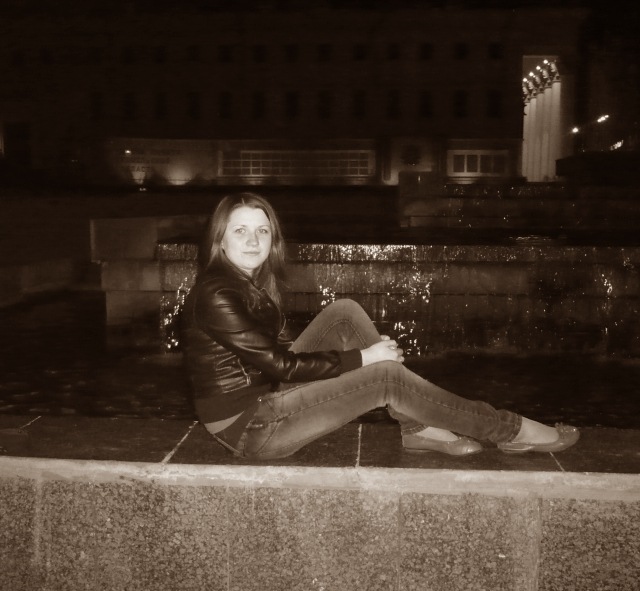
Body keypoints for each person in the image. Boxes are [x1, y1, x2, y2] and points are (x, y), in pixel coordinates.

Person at [181, 192, 579, 460]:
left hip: (262, 398)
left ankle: (417, 427)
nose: (253, 240)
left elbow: (279, 354)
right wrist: (364, 358)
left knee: (344, 312)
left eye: (262, 230)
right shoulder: (217, 293)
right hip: (250, 428)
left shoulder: (243, 283)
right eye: (240, 230)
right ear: (220, 240)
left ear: (273, 240)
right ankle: (508, 430)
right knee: (385, 376)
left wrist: (361, 356)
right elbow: (282, 366)